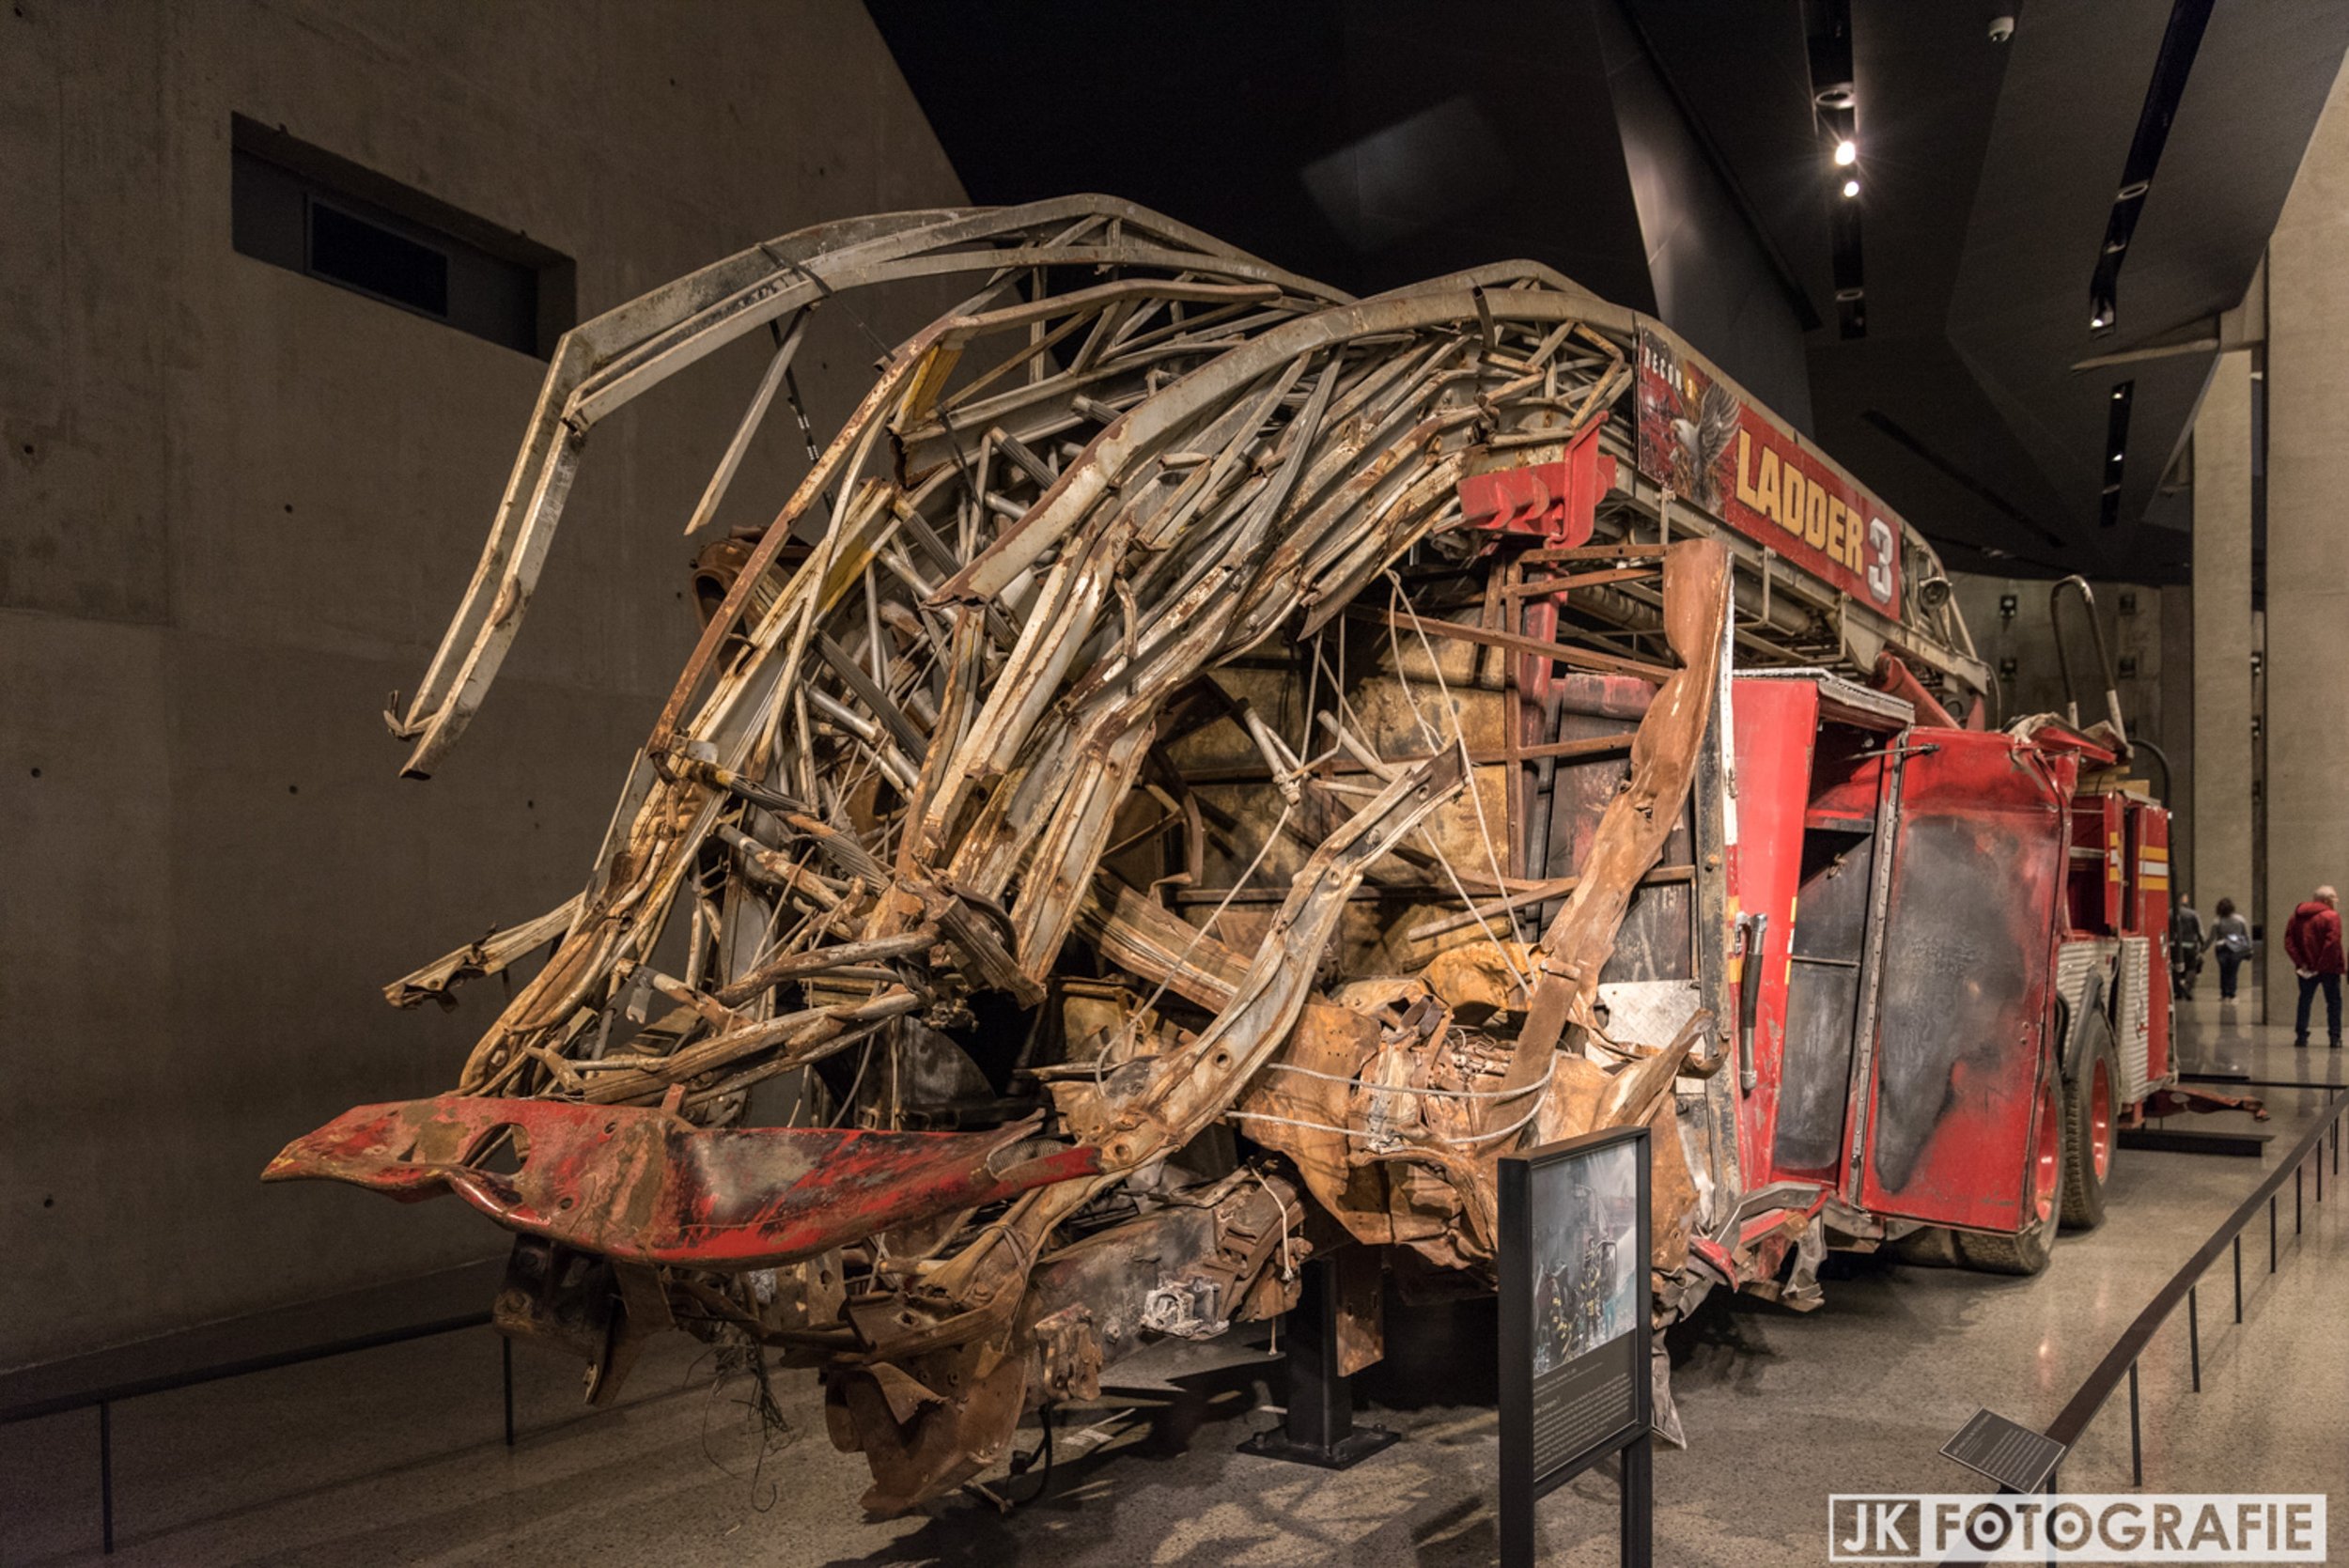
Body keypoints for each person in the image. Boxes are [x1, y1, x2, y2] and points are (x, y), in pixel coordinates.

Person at [2284, 886, 2345, 1048]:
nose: (2335, 903)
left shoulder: (2296, 917)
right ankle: (2334, 1037)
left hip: (2305, 969)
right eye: (2334, 900)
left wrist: (2302, 962)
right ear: (2326, 901)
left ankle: (2301, 1036)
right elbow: (2332, 943)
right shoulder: (2332, 917)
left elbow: (2289, 943)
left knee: (2304, 1000)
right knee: (2333, 1003)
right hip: (2329, 969)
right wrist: (2322, 964)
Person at [2210, 897, 2253, 1002]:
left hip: (2221, 948)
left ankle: (2224, 994)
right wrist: (2249, 949)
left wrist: (2203, 949)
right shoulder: (2240, 919)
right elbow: (2246, 935)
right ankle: (2232, 994)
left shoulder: (2217, 921)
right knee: (2233, 972)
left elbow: (2211, 938)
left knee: (2224, 971)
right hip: (2236, 947)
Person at [2170, 894, 2206, 1000]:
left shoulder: (2169, 913)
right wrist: (2203, 944)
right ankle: (2187, 987)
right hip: (2189, 944)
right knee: (2191, 967)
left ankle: (2178, 990)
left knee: (2175, 967)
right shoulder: (2193, 914)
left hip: (2173, 944)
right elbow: (2200, 931)